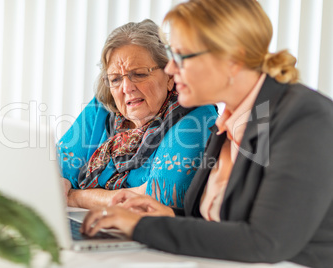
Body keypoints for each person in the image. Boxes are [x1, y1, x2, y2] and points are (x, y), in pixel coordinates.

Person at [81, 1, 333, 267]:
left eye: (181, 56)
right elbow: (224, 223)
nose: (170, 69)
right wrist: (167, 217)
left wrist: (142, 226)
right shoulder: (230, 120)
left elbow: (265, 242)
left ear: (232, 59)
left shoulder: (305, 118)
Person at [57, 19, 217, 209]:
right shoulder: (104, 106)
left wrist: (75, 198)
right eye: (115, 79)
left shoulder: (195, 114)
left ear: (170, 76)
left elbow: (154, 200)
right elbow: (54, 176)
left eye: (139, 74)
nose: (126, 88)